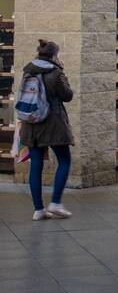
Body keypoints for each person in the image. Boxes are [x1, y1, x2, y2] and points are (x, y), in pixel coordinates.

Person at [19, 39, 74, 221]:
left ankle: (38, 209)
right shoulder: (55, 73)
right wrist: (62, 72)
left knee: (36, 165)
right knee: (64, 160)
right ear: (54, 56)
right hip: (53, 123)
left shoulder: (28, 71)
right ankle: (56, 202)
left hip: (31, 123)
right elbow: (68, 96)